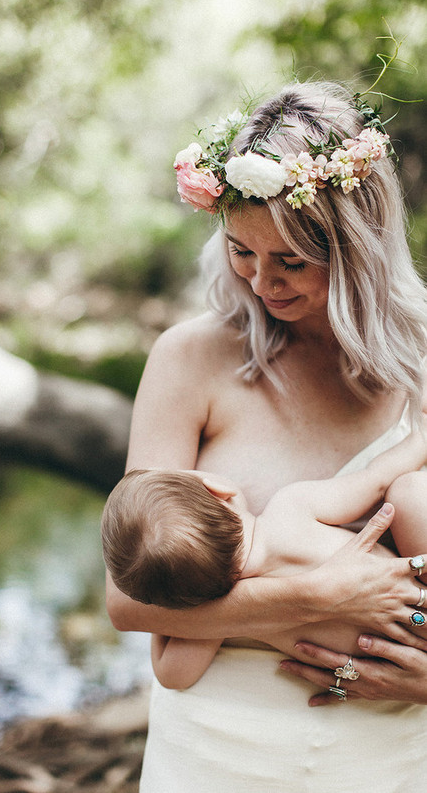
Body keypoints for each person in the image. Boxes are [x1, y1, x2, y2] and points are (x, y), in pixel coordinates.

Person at [104, 80, 427, 791]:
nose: (260, 281)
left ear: (358, 242)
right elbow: (128, 598)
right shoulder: (189, 360)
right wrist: (317, 602)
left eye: (290, 259)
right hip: (216, 755)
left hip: (385, 755)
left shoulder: (423, 369)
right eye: (240, 250)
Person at [102, 433, 427, 689]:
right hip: (415, 594)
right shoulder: (291, 508)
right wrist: (420, 436)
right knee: (409, 490)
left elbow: (171, 675)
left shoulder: (225, 622)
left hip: (402, 658)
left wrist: (184, 605)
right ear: (217, 488)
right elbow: (379, 479)